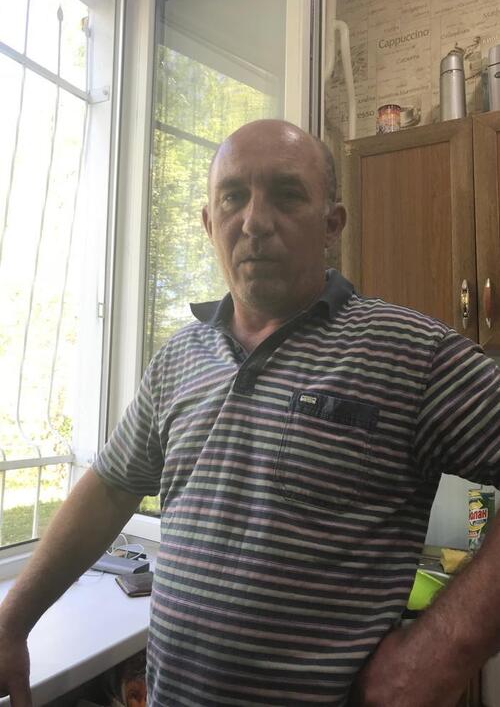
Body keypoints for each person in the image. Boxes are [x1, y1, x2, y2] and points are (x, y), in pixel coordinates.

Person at [1, 119, 500, 707]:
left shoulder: (411, 353)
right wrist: (12, 621)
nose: (255, 221)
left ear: (331, 225)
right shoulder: (179, 358)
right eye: (232, 197)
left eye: (287, 195)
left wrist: (439, 650)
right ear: (208, 223)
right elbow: (111, 487)